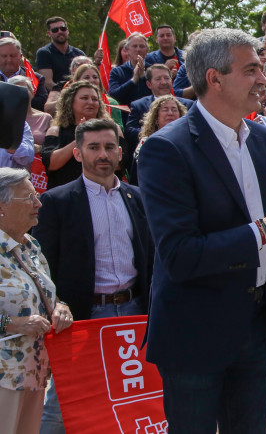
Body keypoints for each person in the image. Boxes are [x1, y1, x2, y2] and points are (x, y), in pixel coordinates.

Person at [137, 28, 266, 433]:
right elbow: (180, 255)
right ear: (214, 79)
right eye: (251, 70)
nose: (264, 79)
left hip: (255, 323)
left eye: (263, 69)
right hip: (195, 332)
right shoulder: (166, 149)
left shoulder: (263, 138)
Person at [32, 118, 154, 433]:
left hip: (133, 314)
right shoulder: (57, 202)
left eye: (109, 147)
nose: (103, 154)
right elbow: (42, 267)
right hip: (82, 318)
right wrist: (57, 305)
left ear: (120, 152)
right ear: (77, 153)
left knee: (132, 398)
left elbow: (152, 258)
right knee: (61, 406)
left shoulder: (138, 198)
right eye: (94, 147)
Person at [0, 168, 73, 434]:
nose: (38, 203)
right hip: (4, 376)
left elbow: (45, 293)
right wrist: (14, 323)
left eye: (37, 195)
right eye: (29, 197)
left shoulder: (30, 244)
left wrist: (61, 308)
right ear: (1, 206)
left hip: (35, 373)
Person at [42, 81, 124, 190]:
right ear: (70, 101)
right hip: (66, 195)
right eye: (84, 98)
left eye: (95, 99)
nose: (90, 102)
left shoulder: (113, 130)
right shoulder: (56, 130)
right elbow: (51, 164)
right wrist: (80, 137)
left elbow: (121, 164)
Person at [125, 64, 195, 149]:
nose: (164, 82)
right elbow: (129, 131)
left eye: (166, 78)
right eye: (158, 79)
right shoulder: (138, 105)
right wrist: (155, 133)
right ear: (149, 84)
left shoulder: (188, 104)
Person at [131, 95, 189, 185]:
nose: (170, 113)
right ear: (156, 117)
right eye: (165, 109)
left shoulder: (189, 142)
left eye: (174, 109)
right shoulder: (146, 143)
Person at [0, 37, 49, 111]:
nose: (9, 60)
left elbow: (42, 104)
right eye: (4, 56)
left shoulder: (36, 78)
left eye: (12, 56)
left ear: (20, 57)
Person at [34, 17, 85, 85]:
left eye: (63, 28)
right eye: (55, 30)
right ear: (49, 33)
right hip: (55, 94)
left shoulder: (79, 54)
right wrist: (67, 94)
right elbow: (47, 82)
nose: (60, 32)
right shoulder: (44, 53)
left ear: (67, 30)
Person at [8, 76, 52, 152]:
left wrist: (41, 148)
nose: (20, 92)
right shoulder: (5, 119)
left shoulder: (46, 118)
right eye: (16, 90)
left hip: (40, 161)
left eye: (24, 89)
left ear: (32, 92)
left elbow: (54, 145)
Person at [108, 32, 151, 109]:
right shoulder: (117, 72)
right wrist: (133, 80)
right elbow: (113, 97)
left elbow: (158, 95)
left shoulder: (153, 70)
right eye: (134, 46)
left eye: (141, 46)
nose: (138, 49)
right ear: (127, 50)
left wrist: (143, 77)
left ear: (147, 50)